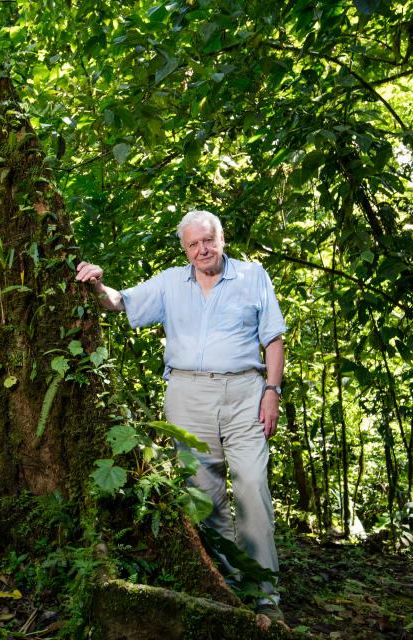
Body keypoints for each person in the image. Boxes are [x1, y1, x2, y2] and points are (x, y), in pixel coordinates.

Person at [74, 209, 286, 619]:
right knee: (204, 496)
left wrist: (272, 392)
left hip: (245, 392)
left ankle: (266, 595)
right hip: (187, 394)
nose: (202, 249)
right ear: (185, 249)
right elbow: (120, 304)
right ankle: (230, 591)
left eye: (208, 240)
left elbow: (273, 338)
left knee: (253, 486)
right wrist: (97, 284)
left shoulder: (252, 276)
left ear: (221, 238)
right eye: (193, 244)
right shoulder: (171, 282)